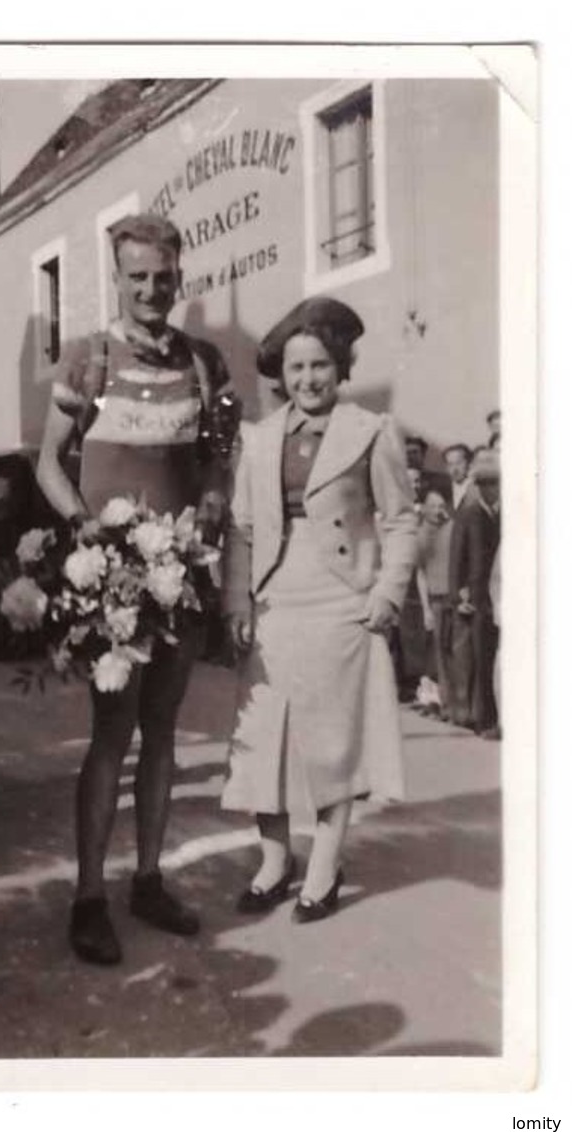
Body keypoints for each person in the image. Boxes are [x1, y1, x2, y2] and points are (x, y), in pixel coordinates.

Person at [36, 213, 236, 965]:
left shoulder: (205, 364)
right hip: (116, 585)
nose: (152, 289)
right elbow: (49, 462)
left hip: (179, 581)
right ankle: (89, 895)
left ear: (180, 275)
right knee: (111, 734)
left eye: (163, 275)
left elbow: (217, 458)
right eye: (137, 277)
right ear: (118, 279)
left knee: (164, 731)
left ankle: (148, 879)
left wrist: (211, 508)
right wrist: (85, 529)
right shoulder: (88, 361)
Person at [221, 297, 418, 922]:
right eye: (297, 367)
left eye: (322, 366)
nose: (309, 380)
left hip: (340, 601)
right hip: (276, 600)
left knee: (333, 741)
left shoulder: (371, 431)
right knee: (264, 737)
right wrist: (236, 598)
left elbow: (401, 520)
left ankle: (325, 865)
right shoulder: (257, 438)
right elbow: (242, 527)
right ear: (282, 373)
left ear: (342, 369)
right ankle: (275, 862)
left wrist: (386, 594)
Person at [448, 449, 501, 738]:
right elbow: (456, 559)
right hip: (477, 599)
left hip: (500, 595)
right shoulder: (468, 515)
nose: (492, 489)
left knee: (496, 658)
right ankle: (483, 718)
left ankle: (496, 716)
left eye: (495, 483)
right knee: (480, 659)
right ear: (478, 485)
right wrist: (458, 596)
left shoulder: (506, 513)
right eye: (486, 483)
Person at [414, 488, 455, 719]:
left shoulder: (451, 529)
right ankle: (441, 703)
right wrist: (425, 609)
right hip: (435, 599)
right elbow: (420, 573)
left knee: (452, 653)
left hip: (452, 597)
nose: (440, 511)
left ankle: (450, 702)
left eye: (442, 506)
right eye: (435, 507)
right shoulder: (421, 535)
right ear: (426, 509)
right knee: (439, 654)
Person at [442, 443, 474, 513]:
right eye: (450, 464)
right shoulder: (443, 491)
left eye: (458, 463)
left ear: (469, 463)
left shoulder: (478, 489)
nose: (454, 469)